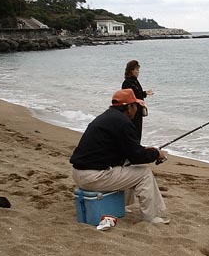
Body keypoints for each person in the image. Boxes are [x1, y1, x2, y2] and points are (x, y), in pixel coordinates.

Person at [70, 88, 169, 224]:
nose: (137, 110)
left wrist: (146, 150)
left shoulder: (106, 118)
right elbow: (137, 156)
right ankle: (153, 217)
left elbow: (127, 151)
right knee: (145, 173)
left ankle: (121, 206)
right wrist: (157, 153)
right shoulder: (123, 122)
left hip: (78, 174)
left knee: (127, 165)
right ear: (129, 107)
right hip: (94, 177)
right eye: (136, 106)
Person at [122, 60, 153, 142]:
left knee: (138, 132)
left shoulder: (135, 81)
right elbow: (127, 97)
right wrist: (137, 100)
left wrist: (145, 93)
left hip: (138, 110)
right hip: (132, 111)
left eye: (138, 70)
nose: (138, 72)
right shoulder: (127, 82)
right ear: (131, 70)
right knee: (133, 132)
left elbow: (137, 93)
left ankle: (136, 147)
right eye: (137, 70)